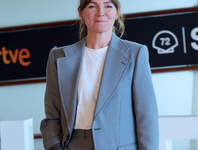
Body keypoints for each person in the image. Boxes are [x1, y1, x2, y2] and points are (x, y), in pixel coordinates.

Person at [40, 0, 159, 149]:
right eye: (92, 6)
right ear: (80, 13)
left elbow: (147, 117)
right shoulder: (58, 57)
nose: (100, 12)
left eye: (108, 6)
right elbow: (52, 115)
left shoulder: (136, 54)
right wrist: (54, 147)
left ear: (117, 12)